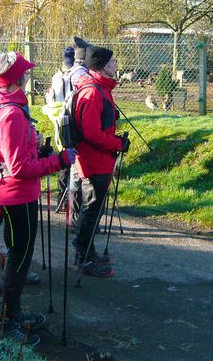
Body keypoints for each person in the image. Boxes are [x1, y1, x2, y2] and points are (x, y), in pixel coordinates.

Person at [0, 51, 76, 345]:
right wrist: (59, 161)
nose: (28, 78)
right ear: (16, 80)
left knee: (15, 249)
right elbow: (19, 168)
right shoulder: (11, 114)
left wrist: (36, 150)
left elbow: (6, 154)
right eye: (25, 74)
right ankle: (8, 319)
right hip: (16, 193)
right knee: (21, 255)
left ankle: (13, 312)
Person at [73, 45, 130, 278]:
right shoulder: (93, 92)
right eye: (113, 61)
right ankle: (83, 258)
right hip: (93, 160)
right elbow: (91, 133)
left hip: (99, 159)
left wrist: (114, 141)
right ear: (104, 66)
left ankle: (88, 251)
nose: (116, 64)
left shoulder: (100, 88)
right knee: (91, 208)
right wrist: (116, 144)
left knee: (94, 209)